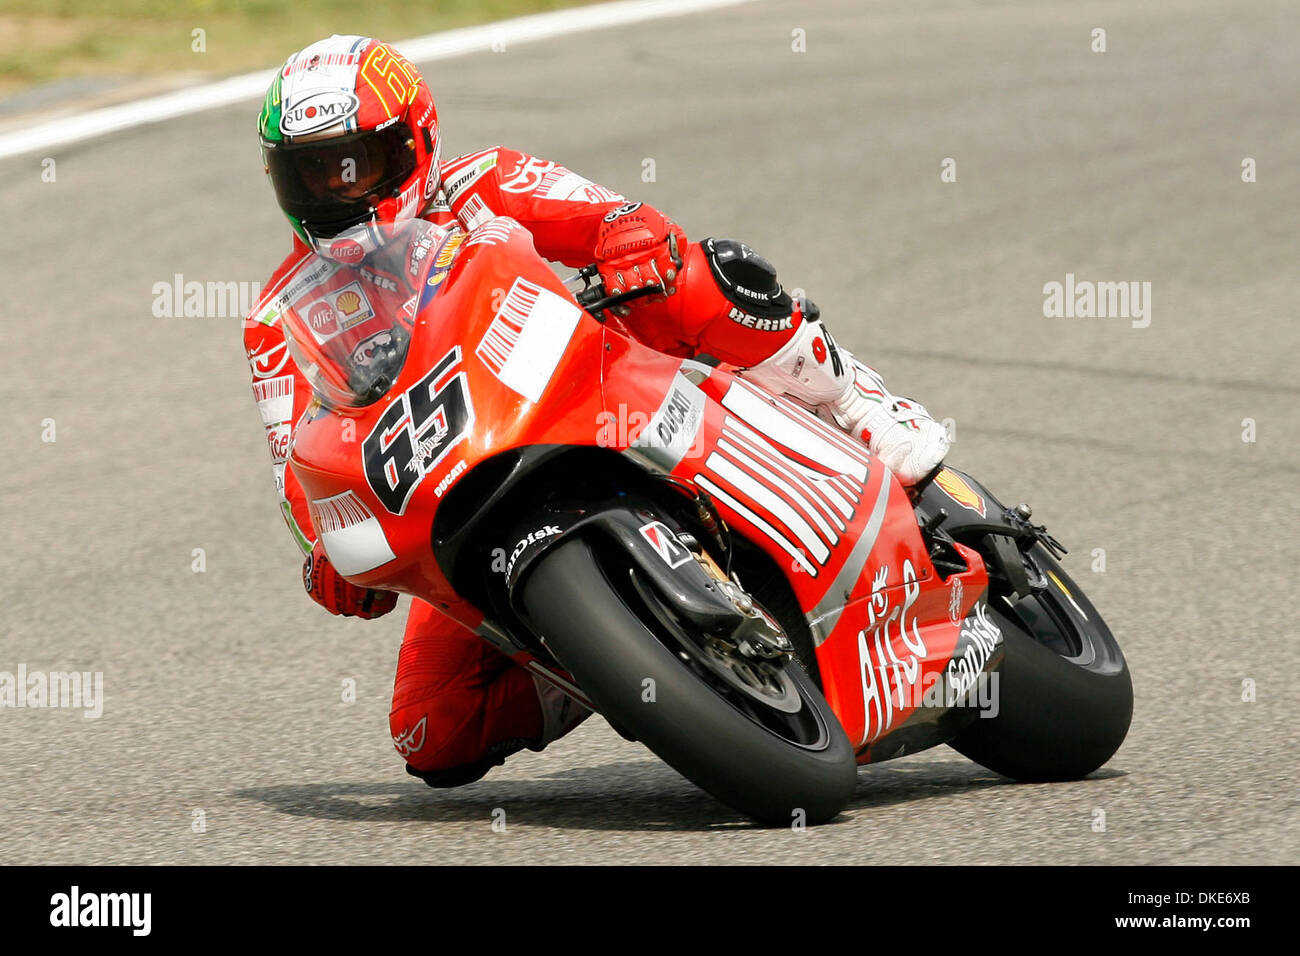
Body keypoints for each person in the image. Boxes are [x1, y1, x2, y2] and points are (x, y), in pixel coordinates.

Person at [244, 35, 949, 788]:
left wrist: (627, 238)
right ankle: (610, 651)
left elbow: (609, 216)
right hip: (460, 476)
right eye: (311, 172)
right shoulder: (278, 318)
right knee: (432, 731)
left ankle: (851, 399)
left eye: (358, 162)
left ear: (417, 142)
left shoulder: (484, 182)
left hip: (595, 381)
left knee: (685, 269)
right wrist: (324, 550)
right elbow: (300, 465)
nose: (337, 190)